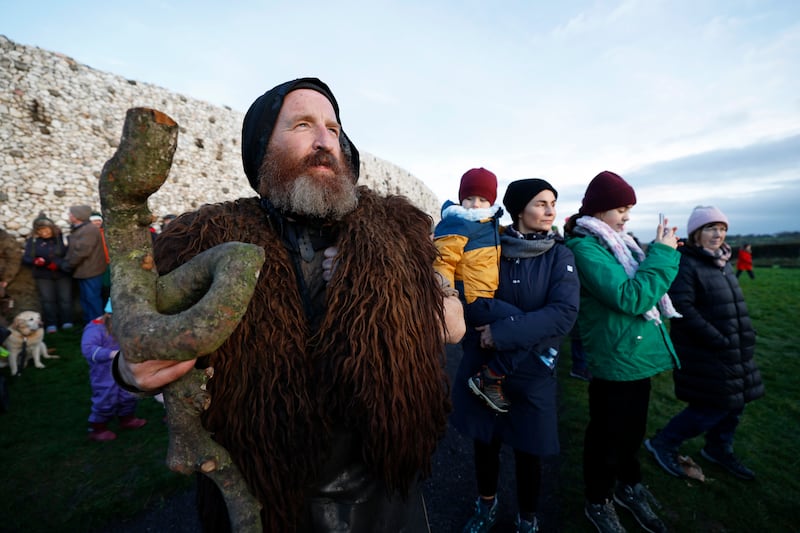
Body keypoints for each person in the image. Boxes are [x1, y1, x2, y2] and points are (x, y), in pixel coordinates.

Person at [112, 77, 465, 532]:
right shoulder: (203, 240)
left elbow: (451, 321)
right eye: (302, 125)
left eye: (333, 130)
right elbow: (135, 344)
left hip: (382, 500)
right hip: (260, 498)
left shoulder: (395, 233)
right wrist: (130, 370)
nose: (324, 141)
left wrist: (418, 299)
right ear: (263, 146)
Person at [451, 178, 580, 533]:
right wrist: (525, 324)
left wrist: (503, 331)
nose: (550, 210)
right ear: (520, 209)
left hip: (532, 373)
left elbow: (564, 313)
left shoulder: (559, 254)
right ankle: (486, 507)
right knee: (486, 446)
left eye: (553, 202)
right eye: (541, 203)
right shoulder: (490, 248)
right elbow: (472, 300)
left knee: (529, 454)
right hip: (484, 369)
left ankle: (527, 519)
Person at [564, 171, 680, 533]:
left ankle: (629, 488)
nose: (626, 216)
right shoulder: (585, 248)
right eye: (620, 208)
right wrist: (662, 253)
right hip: (615, 357)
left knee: (632, 433)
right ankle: (598, 501)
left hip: (636, 355)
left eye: (629, 208)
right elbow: (631, 297)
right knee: (607, 437)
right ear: (598, 210)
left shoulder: (620, 242)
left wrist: (657, 253)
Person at [645, 206, 763, 481]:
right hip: (707, 350)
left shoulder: (722, 261)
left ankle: (718, 448)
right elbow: (682, 307)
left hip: (735, 349)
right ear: (696, 233)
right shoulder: (687, 263)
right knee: (712, 406)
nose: (718, 234)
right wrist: (718, 339)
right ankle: (663, 442)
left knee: (736, 403)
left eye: (722, 229)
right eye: (711, 228)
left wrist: (744, 335)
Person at [433, 167, 516, 413]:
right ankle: (489, 378)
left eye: (482, 199)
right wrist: (445, 293)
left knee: (476, 351)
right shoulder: (458, 222)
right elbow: (443, 260)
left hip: (484, 296)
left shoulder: (489, 224)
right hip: (472, 299)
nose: (474, 204)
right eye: (469, 198)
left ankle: (470, 396)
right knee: (520, 323)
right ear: (461, 199)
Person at [83, 299, 147, 442]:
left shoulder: (124, 327)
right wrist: (110, 354)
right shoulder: (94, 329)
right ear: (110, 316)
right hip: (104, 374)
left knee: (129, 394)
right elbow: (88, 349)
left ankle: (127, 419)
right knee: (106, 399)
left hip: (125, 370)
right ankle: (98, 428)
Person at [22, 213, 73, 333]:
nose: (43, 233)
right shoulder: (33, 241)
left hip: (62, 274)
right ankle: (51, 324)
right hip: (43, 275)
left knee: (65, 299)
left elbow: (70, 255)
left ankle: (67, 322)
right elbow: (26, 258)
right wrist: (35, 261)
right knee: (47, 300)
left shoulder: (62, 239)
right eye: (40, 230)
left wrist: (58, 264)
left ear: (52, 228)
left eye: (45, 229)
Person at [65, 205, 107, 322]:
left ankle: (97, 326)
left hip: (91, 270)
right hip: (84, 270)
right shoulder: (81, 228)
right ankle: (89, 324)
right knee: (86, 300)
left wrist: (68, 264)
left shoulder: (89, 230)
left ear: (78, 216)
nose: (69, 216)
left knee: (92, 300)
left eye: (71, 214)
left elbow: (82, 251)